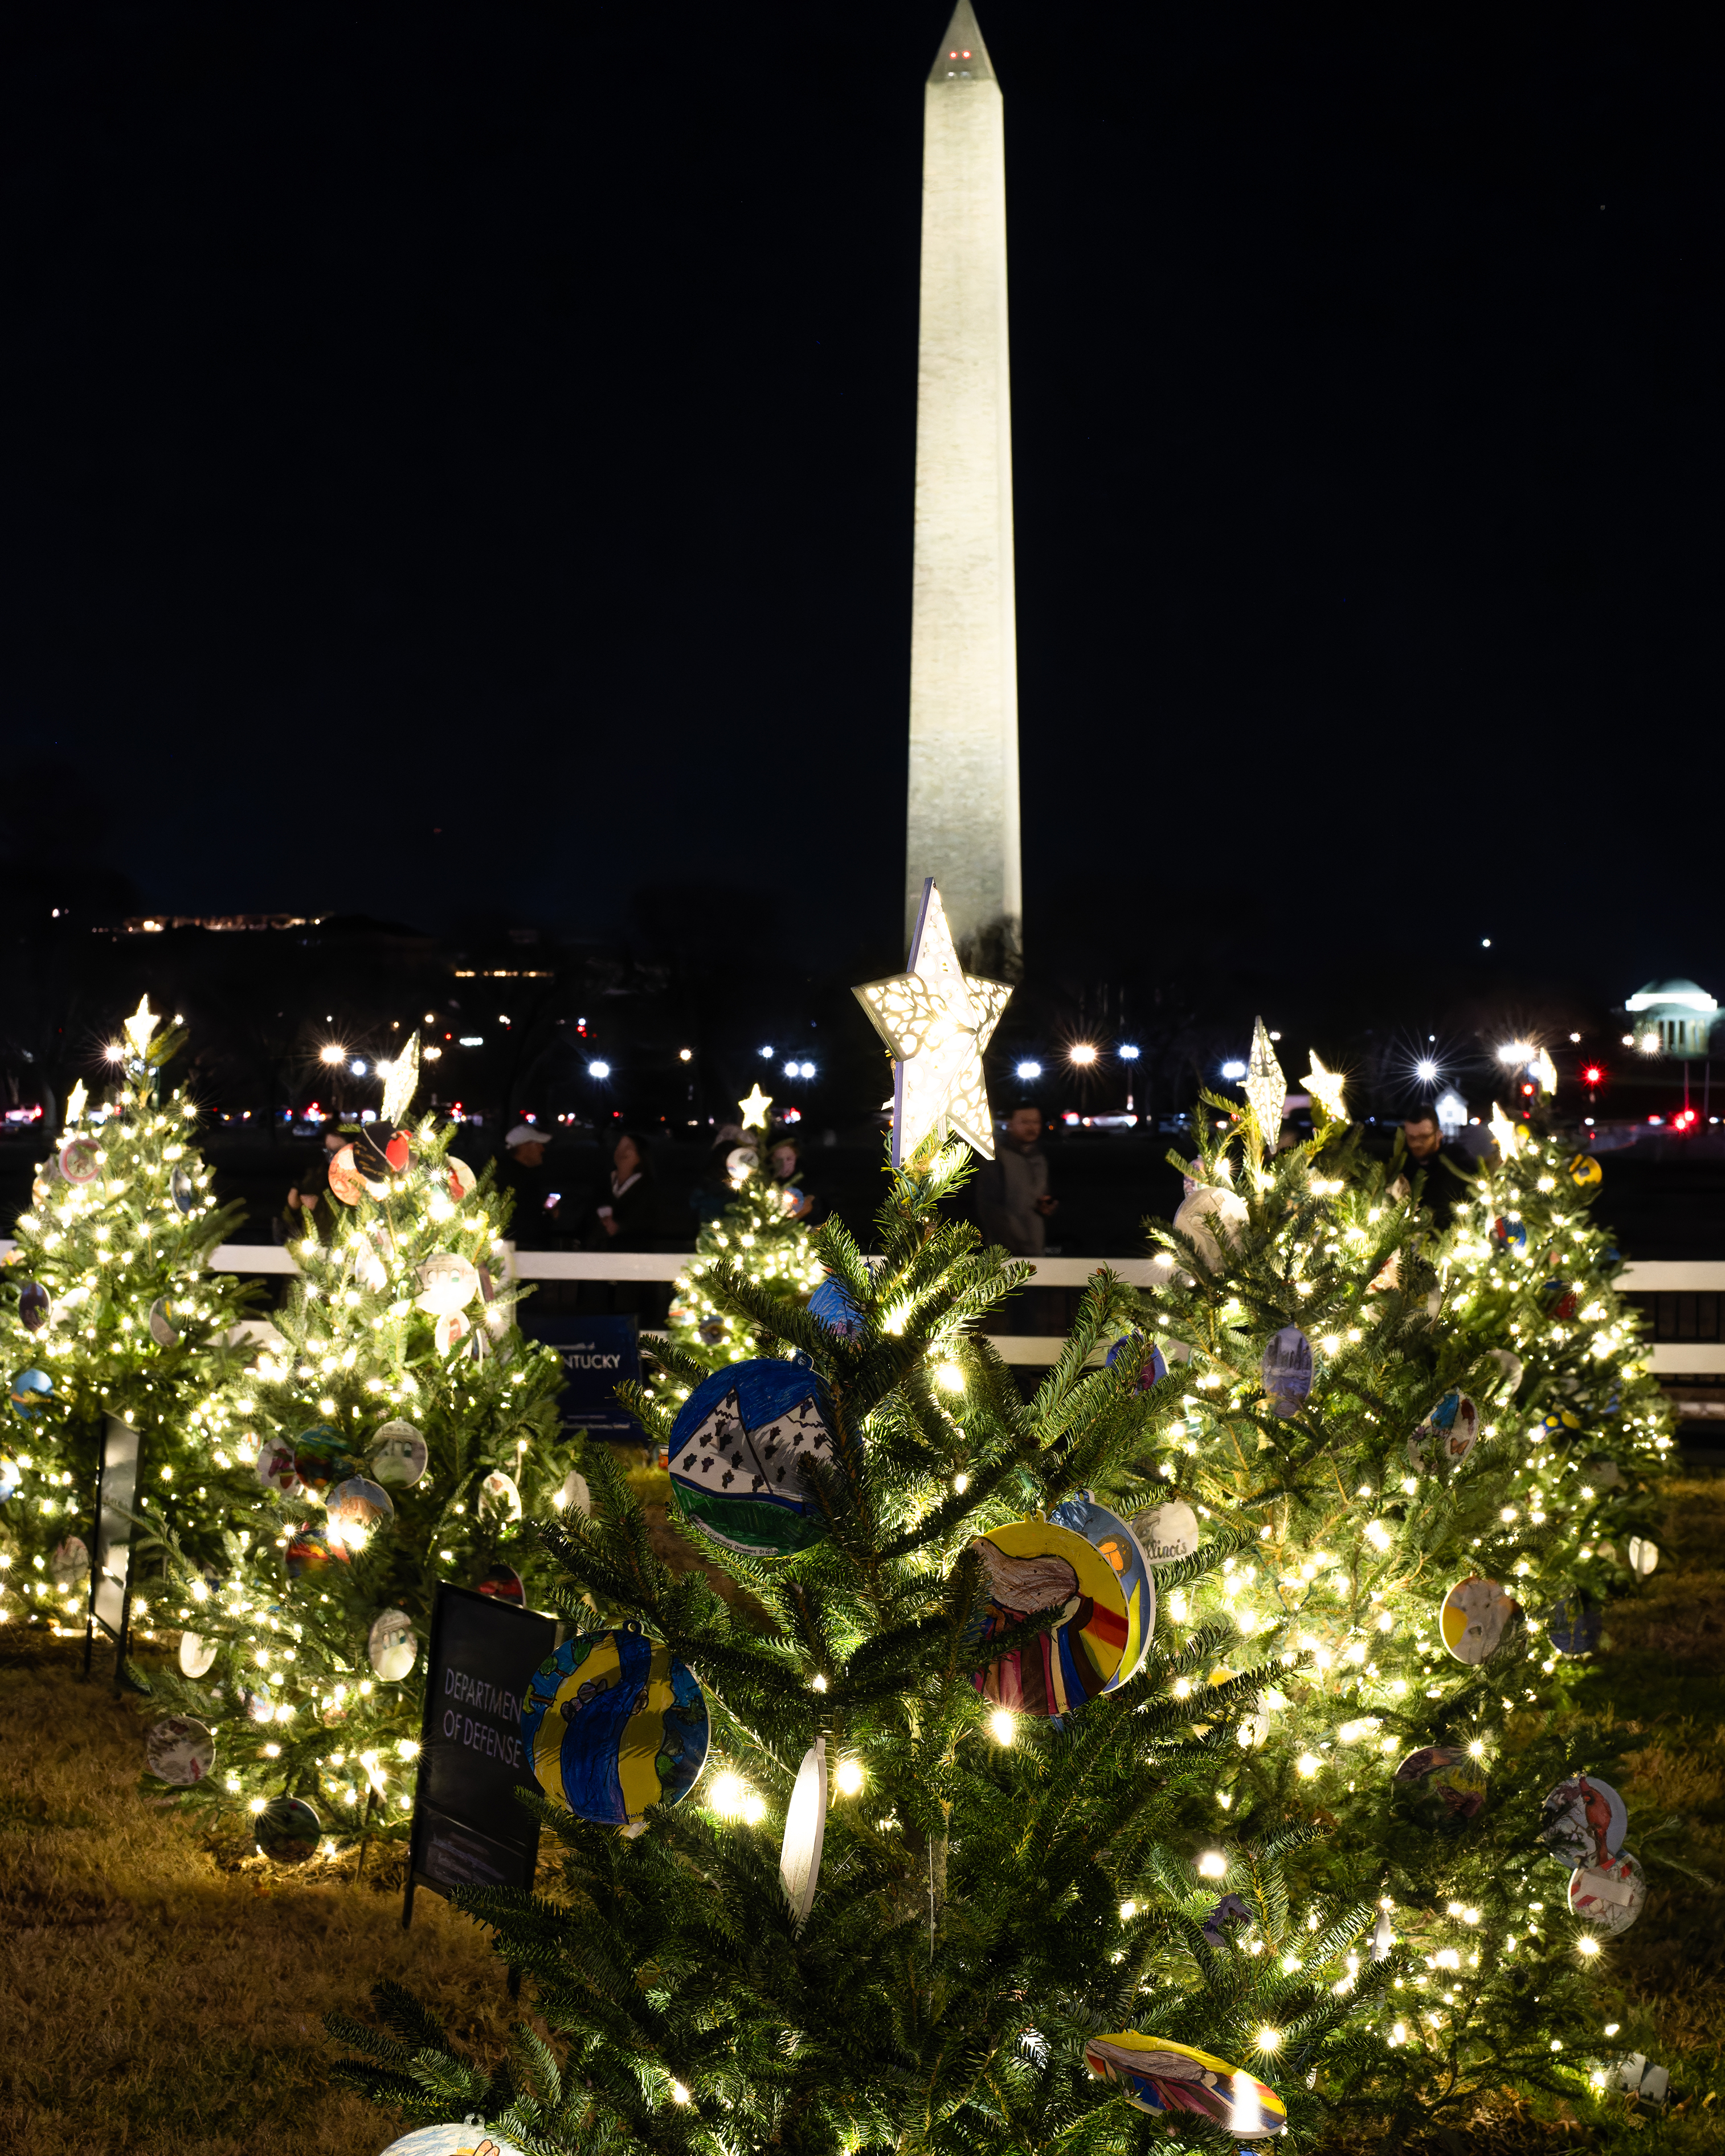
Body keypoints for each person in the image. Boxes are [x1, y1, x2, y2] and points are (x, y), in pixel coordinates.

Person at [975, 1104, 1058, 1255]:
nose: (1031, 1127)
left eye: (1036, 1122)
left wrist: (1048, 1207)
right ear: (1010, 1124)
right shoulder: (997, 1158)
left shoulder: (1041, 1157)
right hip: (1006, 1251)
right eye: (1025, 1122)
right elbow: (990, 1207)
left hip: (1036, 1246)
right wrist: (1009, 1245)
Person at [586, 1131, 664, 1252]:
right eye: (619, 1147)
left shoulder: (648, 1188)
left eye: (628, 1147)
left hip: (635, 1255)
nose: (622, 1151)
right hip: (602, 1254)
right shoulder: (605, 1183)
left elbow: (651, 1224)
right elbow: (590, 1214)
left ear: (640, 1156)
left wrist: (619, 1228)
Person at [493, 1123, 562, 1249]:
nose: (543, 1149)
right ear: (525, 1146)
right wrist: (548, 1217)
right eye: (538, 1144)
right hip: (519, 1250)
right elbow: (526, 1223)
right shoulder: (517, 1179)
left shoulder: (506, 1173)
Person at [1401, 1103, 1468, 1228]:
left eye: (1424, 1137)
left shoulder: (1456, 1168)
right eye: (1411, 1138)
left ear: (1439, 1135)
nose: (1417, 1144)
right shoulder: (1401, 1166)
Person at [283, 1119, 346, 1242]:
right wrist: (294, 1207)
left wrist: (319, 1206)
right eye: (329, 1151)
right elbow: (296, 1222)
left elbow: (350, 1221)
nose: (333, 1157)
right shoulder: (318, 1175)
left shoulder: (364, 1179)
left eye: (339, 1150)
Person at [769, 1132, 818, 1222]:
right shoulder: (767, 1184)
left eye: (789, 1159)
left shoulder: (807, 1184)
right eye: (779, 1160)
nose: (784, 1165)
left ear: (796, 1156)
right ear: (772, 1160)